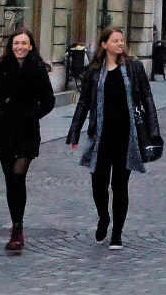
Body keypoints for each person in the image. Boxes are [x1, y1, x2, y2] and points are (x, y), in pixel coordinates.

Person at [67, 26, 160, 249]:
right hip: (101, 135)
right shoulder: (94, 71)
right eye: (115, 41)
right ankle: (104, 218)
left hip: (126, 136)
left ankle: (117, 232)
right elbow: (84, 103)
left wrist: (153, 131)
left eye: (122, 40)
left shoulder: (133, 67)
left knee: (120, 185)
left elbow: (147, 97)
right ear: (104, 44)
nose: (120, 44)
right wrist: (74, 131)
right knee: (98, 183)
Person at [0, 27, 56, 253]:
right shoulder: (1, 68)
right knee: (10, 180)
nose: (19, 47)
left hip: (28, 131)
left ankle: (17, 230)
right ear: (11, 46)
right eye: (16, 44)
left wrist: (33, 114)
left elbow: (49, 100)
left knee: (19, 174)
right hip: (4, 130)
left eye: (23, 43)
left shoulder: (38, 69)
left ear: (31, 46)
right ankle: (16, 225)